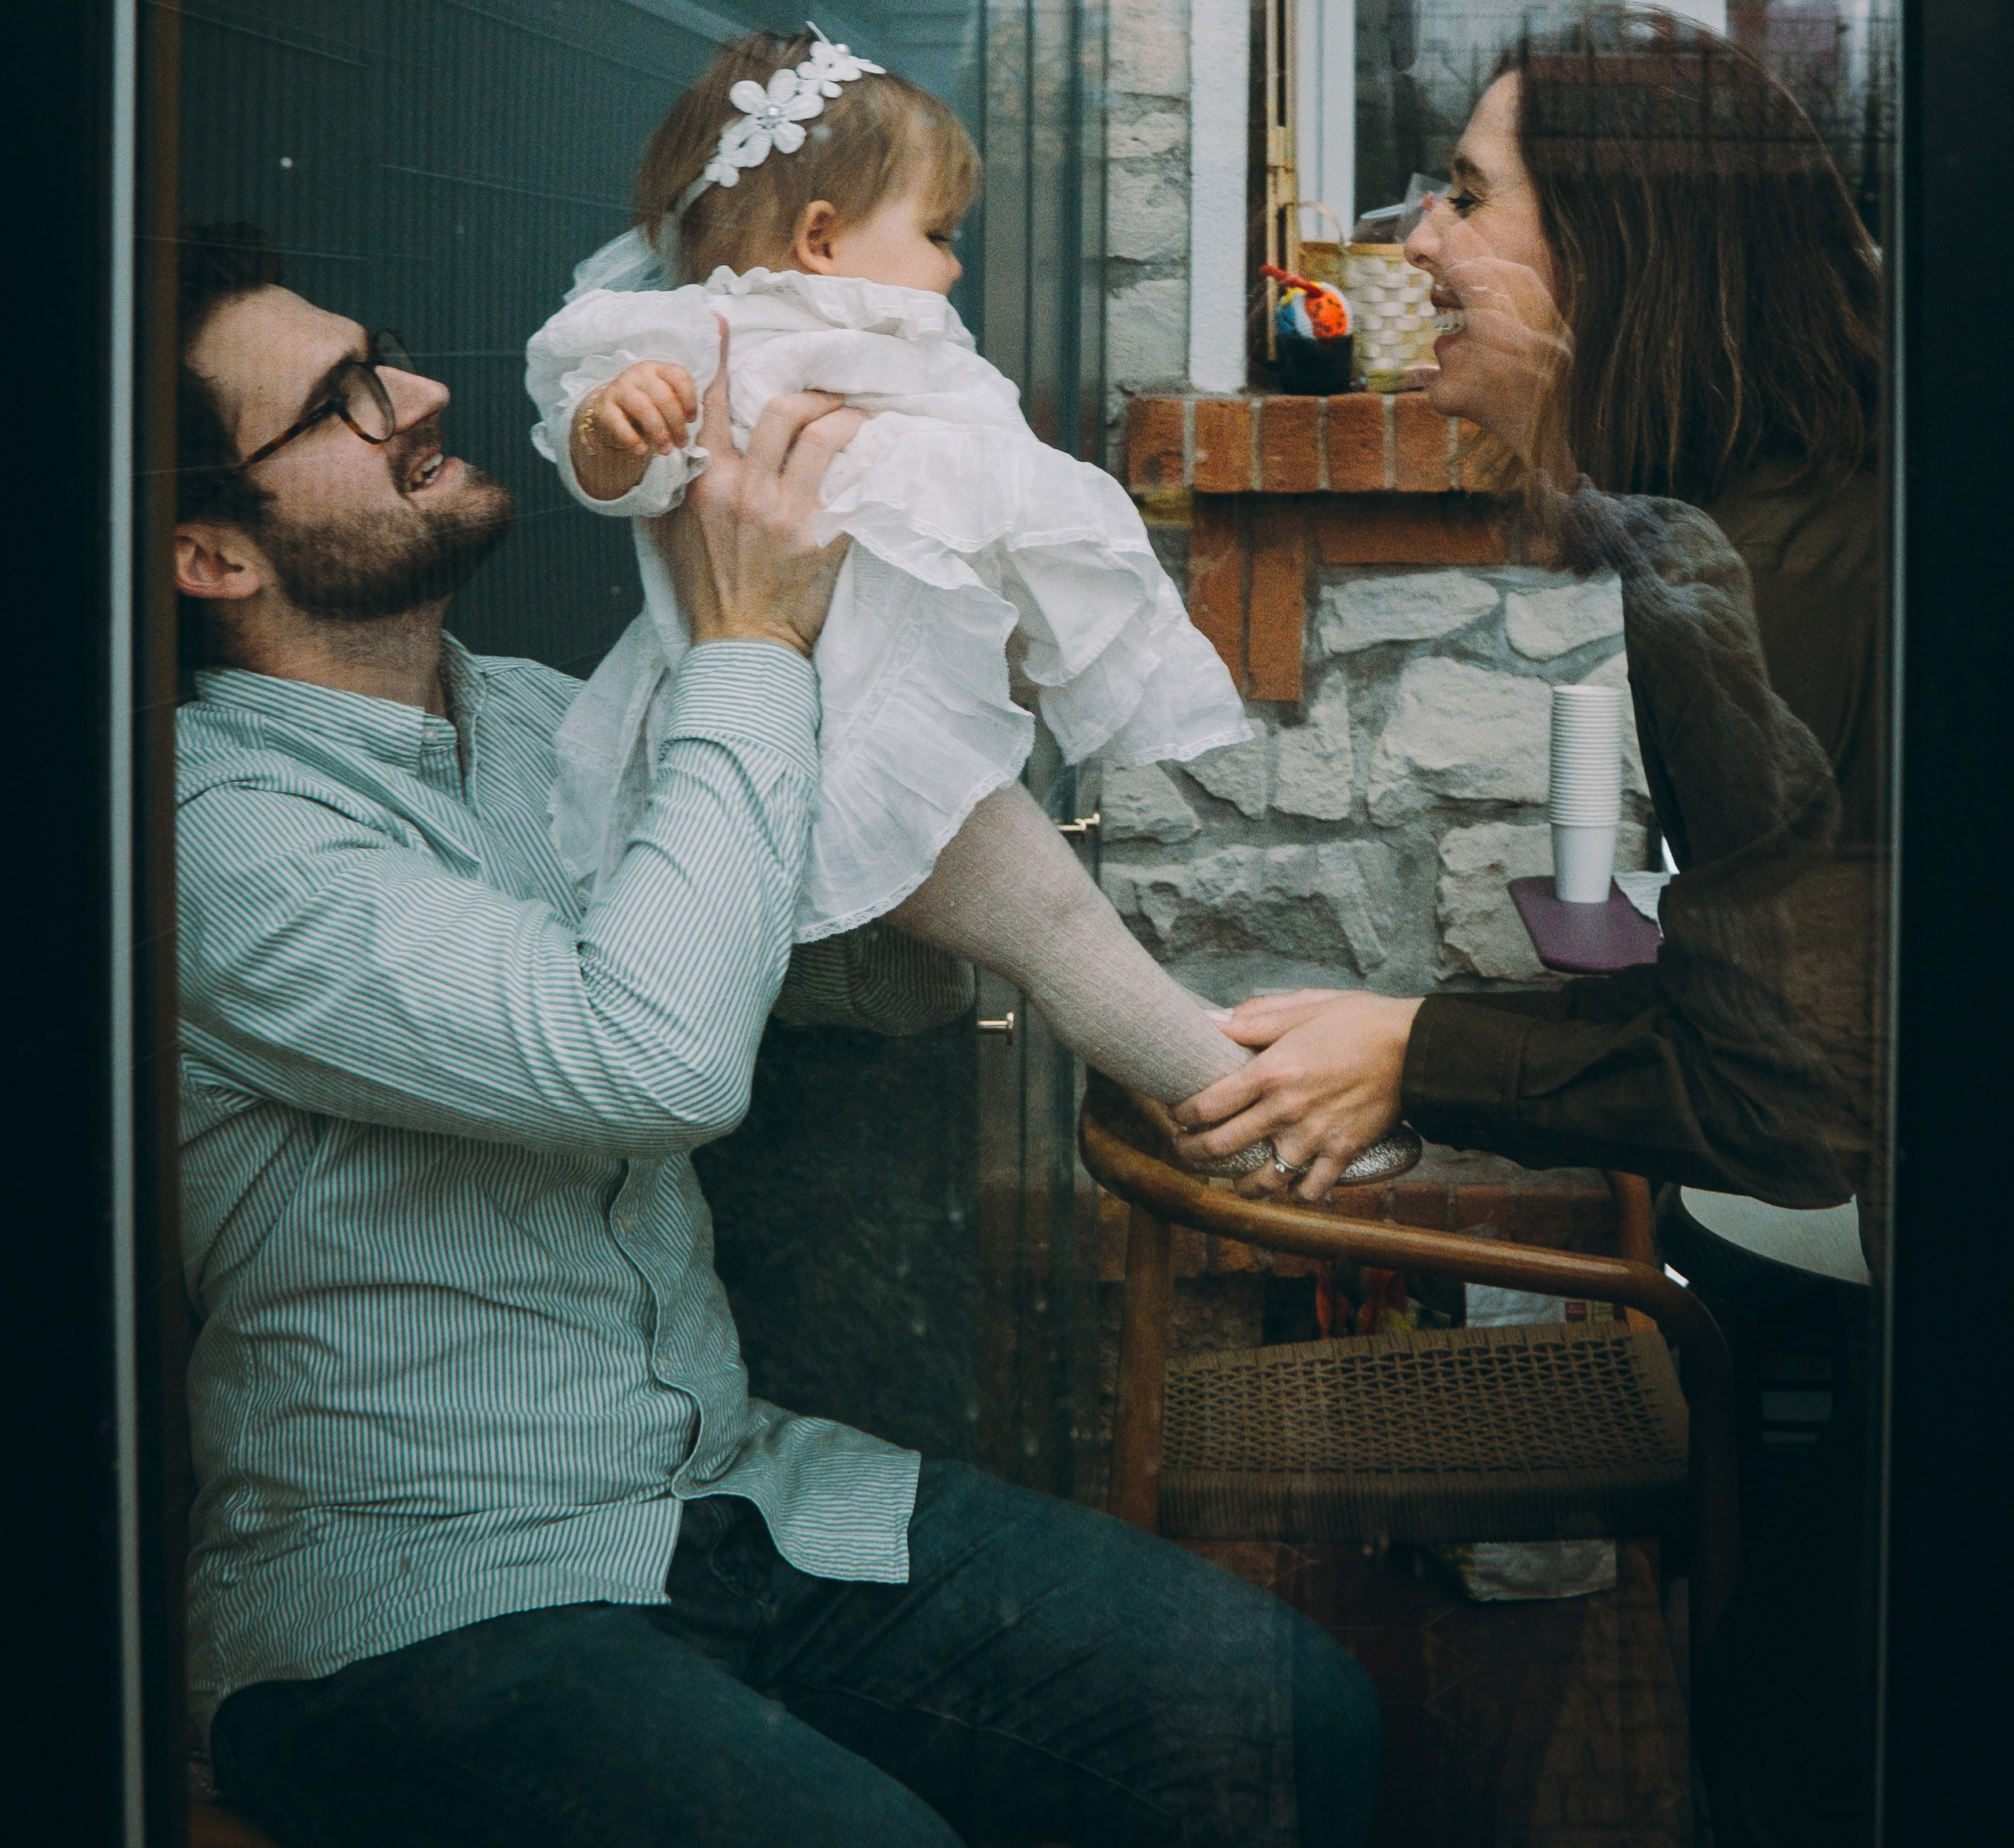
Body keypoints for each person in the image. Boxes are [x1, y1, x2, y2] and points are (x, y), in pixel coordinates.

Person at [172, 226, 1381, 1847]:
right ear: (211, 557)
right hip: (422, 1601)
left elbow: (826, 993)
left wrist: (928, 716)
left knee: (1285, 1722)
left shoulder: (538, 716)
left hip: (737, 1499)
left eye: (376, 351)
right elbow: (650, 1057)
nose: (417, 391)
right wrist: (746, 643)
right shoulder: (211, 841)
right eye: (338, 397)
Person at [526, 24, 1401, 1175]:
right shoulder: (695, 338)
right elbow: (611, 462)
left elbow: (992, 490)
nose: (950, 267)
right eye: (937, 235)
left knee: (1005, 940)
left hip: (897, 712)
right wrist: (617, 420)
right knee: (1059, 928)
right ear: (822, 238)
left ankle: (1227, 1088)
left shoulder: (913, 346)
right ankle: (1248, 1120)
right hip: (838, 731)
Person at [1171, 7, 1880, 1209]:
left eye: (1466, 195)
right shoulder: (1770, 514)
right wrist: (1410, 1039)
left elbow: (1795, 1097)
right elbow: (1761, 995)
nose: (1416, 243)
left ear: (1613, 252)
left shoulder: (1744, 584)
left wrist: (1416, 1053)